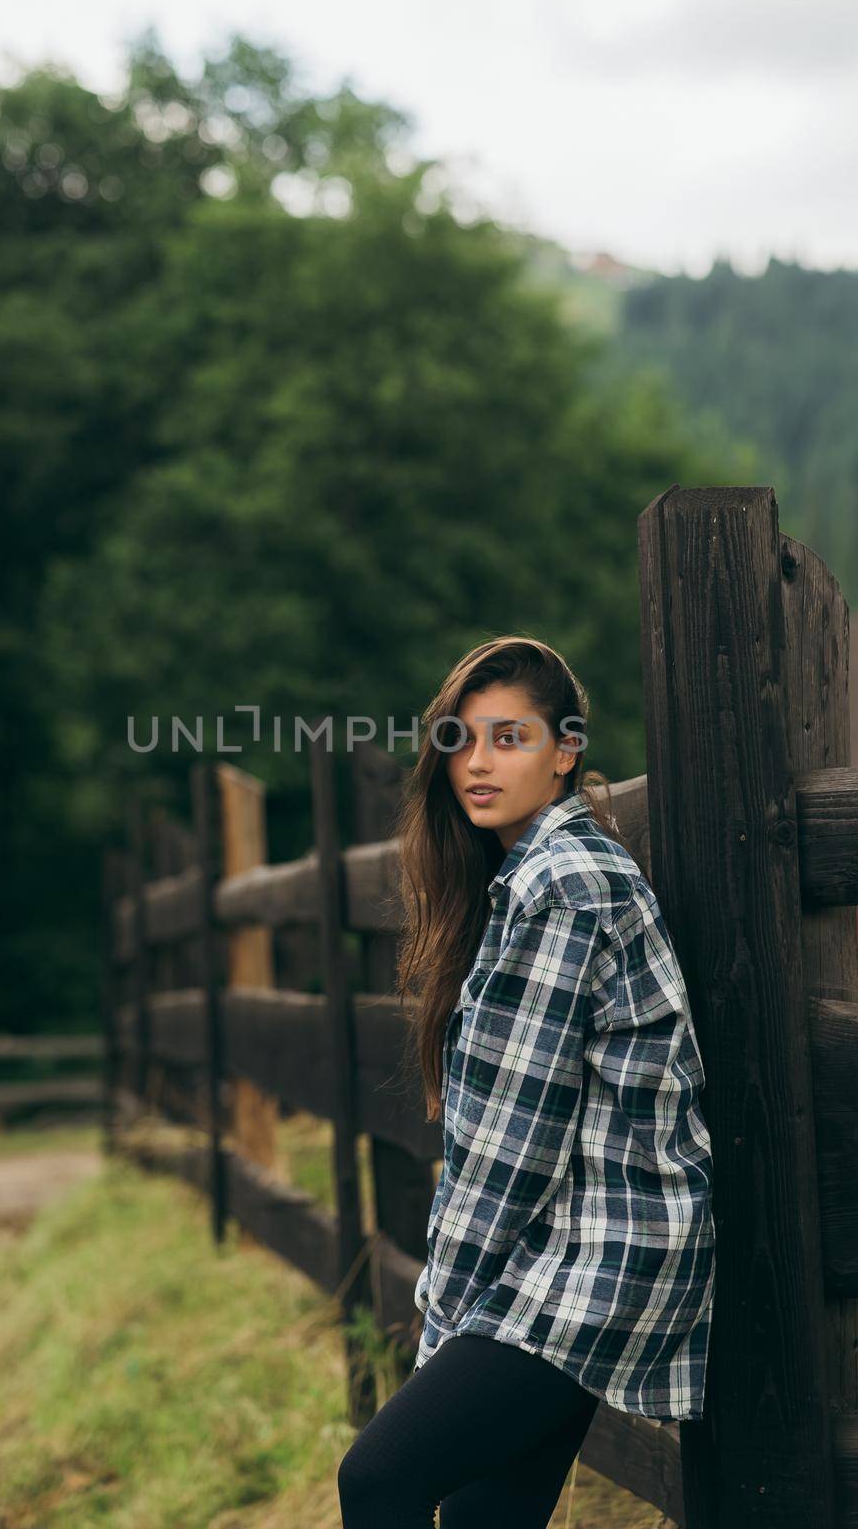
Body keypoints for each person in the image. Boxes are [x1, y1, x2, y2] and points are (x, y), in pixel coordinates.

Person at [337, 635, 716, 1528]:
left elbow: (514, 1144)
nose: (476, 763)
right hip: (568, 1249)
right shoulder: (525, 876)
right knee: (485, 1520)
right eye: (460, 740)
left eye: (508, 738)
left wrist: (447, 1313)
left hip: (598, 1256)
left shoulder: (564, 883)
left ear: (566, 749)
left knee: (378, 1478)